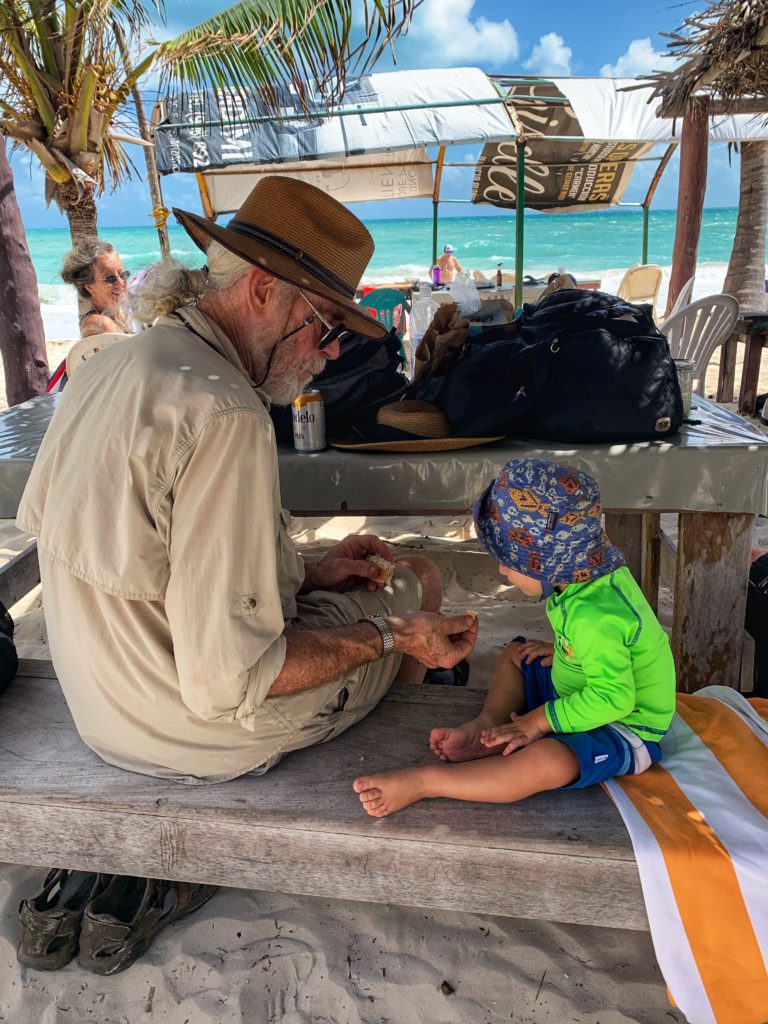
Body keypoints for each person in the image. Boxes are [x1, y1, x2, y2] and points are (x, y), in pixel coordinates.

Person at [18, 176, 478, 786]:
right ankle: (390, 733)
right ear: (264, 291)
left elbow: (152, 562)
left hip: (101, 709)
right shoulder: (226, 411)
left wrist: (309, 572)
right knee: (418, 579)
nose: (333, 353)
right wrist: (389, 637)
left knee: (381, 589)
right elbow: (227, 680)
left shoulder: (108, 365)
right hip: (193, 734)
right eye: (330, 326)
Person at [354, 458, 676, 817]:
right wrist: (568, 652)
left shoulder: (595, 616)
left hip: (623, 724)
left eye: (510, 562)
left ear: (544, 565)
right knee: (515, 654)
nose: (502, 570)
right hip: (582, 689)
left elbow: (615, 698)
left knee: (546, 763)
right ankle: (491, 723)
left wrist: (538, 721)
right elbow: (614, 648)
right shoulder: (585, 579)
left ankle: (429, 782)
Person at [60, 240, 131, 338]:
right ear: (90, 287)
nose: (120, 283)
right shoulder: (99, 323)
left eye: (123, 274)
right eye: (109, 278)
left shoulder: (121, 316)